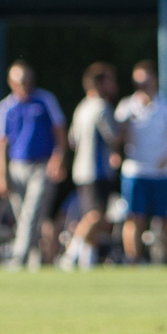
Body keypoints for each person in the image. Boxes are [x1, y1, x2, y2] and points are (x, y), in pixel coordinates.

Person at [0, 61, 66, 270]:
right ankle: (35, 260)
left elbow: (59, 131)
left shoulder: (45, 100)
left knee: (31, 214)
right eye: (19, 80)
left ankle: (18, 259)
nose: (24, 84)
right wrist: (0, 174)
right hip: (16, 167)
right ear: (11, 82)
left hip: (41, 166)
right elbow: (0, 143)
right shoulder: (5, 106)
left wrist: (58, 159)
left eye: (27, 79)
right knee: (24, 217)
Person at [114, 60, 167, 265]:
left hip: (163, 172)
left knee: (166, 219)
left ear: (155, 80)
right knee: (134, 217)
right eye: (139, 83)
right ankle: (133, 260)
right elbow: (116, 137)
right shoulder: (126, 106)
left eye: (146, 82)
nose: (143, 87)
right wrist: (120, 135)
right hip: (135, 171)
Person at [62, 63, 123, 269]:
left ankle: (87, 261)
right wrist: (127, 128)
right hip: (97, 171)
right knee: (95, 216)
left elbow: (73, 140)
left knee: (94, 215)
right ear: (100, 83)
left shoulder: (82, 106)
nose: (114, 84)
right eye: (110, 80)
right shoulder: (102, 107)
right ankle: (71, 255)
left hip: (81, 170)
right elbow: (113, 136)